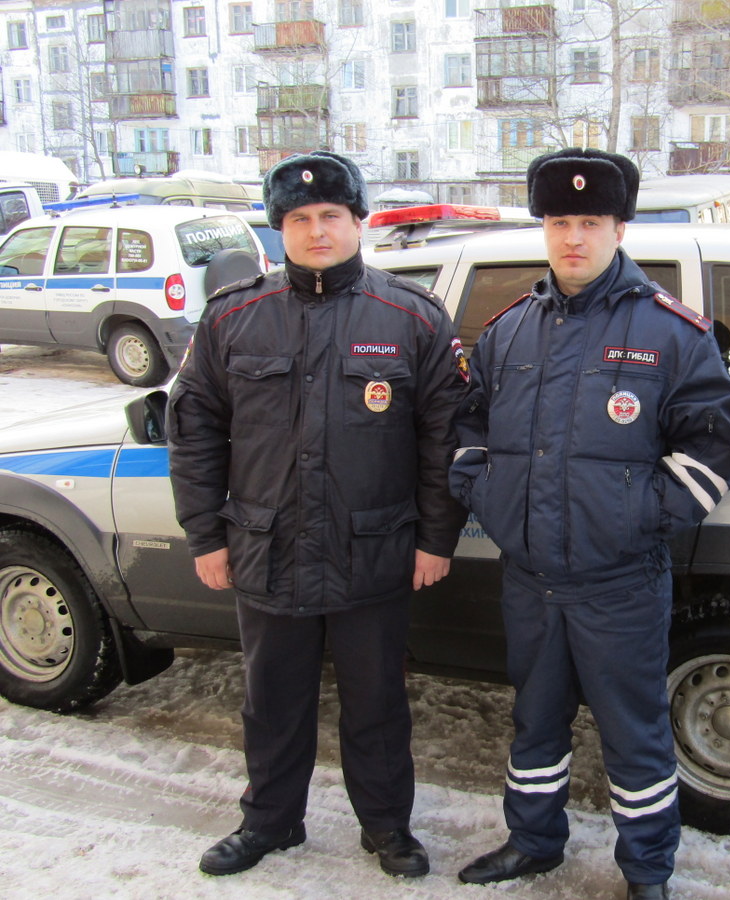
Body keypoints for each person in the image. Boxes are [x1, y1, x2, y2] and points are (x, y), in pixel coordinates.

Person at [167, 150, 468, 878]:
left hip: (375, 552)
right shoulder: (234, 317)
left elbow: (444, 438)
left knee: (377, 704)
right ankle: (270, 822)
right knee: (271, 702)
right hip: (265, 550)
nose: (317, 230)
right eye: (298, 219)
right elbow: (194, 427)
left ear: (357, 222)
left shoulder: (410, 317)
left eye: (331, 215)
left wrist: (436, 538)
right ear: (279, 231)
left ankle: (388, 827)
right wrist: (206, 534)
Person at [449, 148, 730, 900]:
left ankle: (647, 871)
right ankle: (534, 841)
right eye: (558, 221)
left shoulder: (671, 332)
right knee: (534, 724)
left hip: (621, 581)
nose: (572, 236)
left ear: (620, 227)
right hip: (532, 577)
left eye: (590, 221)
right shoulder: (510, 329)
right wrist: (488, 496)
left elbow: (710, 448)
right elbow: (468, 425)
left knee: (635, 736)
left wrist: (637, 519)